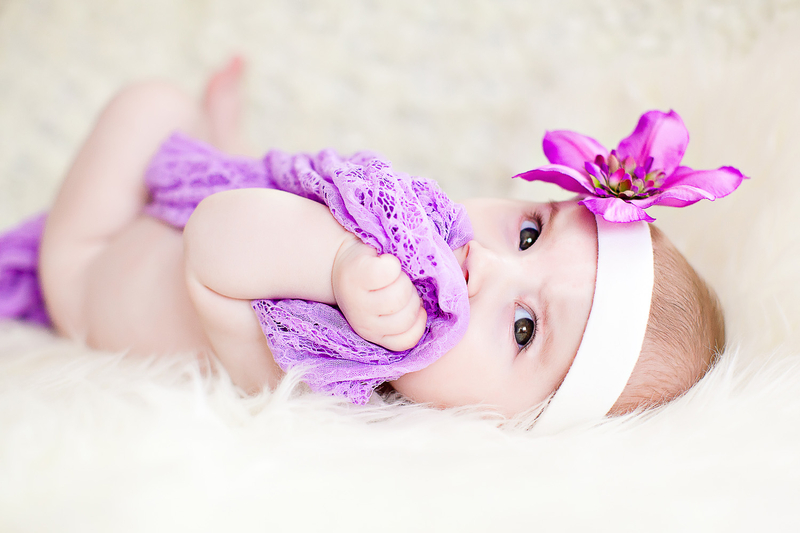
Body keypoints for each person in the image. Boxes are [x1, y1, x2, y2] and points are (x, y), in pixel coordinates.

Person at [0, 59, 745, 429]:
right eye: (528, 232)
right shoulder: (405, 255)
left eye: (524, 328)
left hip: (90, 269)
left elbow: (215, 239)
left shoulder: (329, 387)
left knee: (149, 104)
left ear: (501, 425)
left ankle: (204, 141)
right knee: (231, 151)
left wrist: (335, 266)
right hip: (199, 214)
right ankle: (227, 145)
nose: (485, 262)